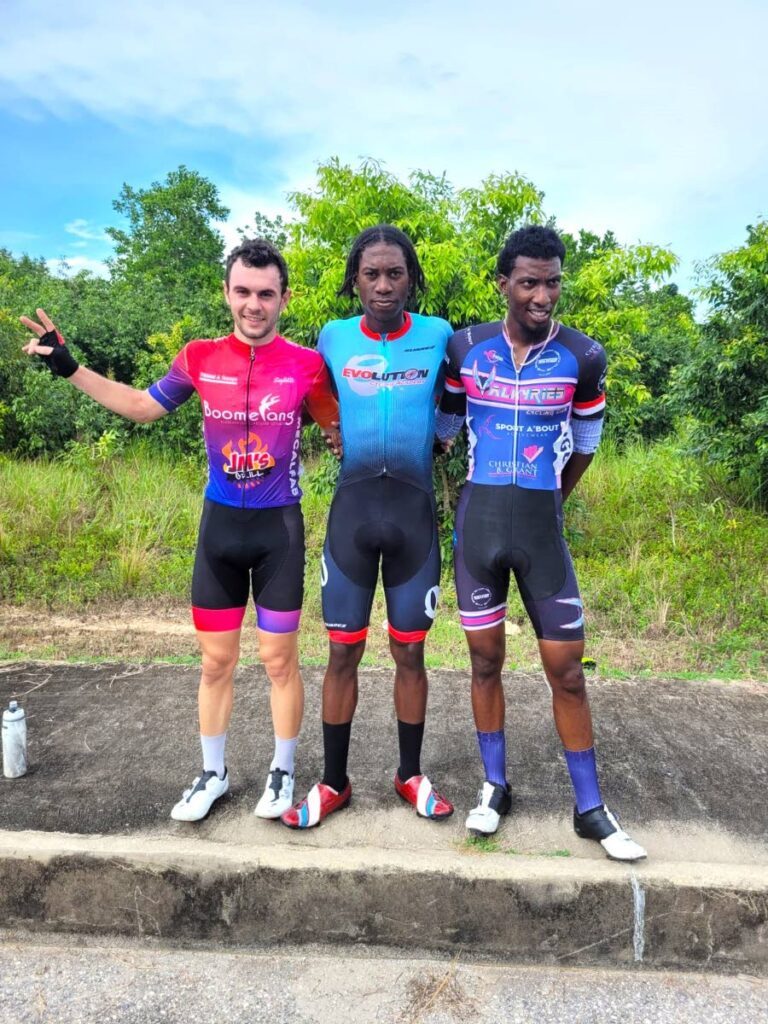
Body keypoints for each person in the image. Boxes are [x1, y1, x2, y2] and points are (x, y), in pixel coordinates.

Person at [20, 239, 338, 823]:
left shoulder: (306, 365)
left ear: (284, 299)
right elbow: (142, 406)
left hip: (279, 533)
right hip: (218, 529)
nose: (254, 304)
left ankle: (283, 770)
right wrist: (69, 367)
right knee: (215, 663)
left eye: (266, 294)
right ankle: (213, 773)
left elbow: (343, 430)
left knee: (278, 661)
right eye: (243, 291)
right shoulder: (199, 357)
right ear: (227, 292)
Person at [436, 225, 646, 861]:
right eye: (529, 282)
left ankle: (591, 808)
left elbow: (583, 446)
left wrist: (549, 500)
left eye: (552, 281)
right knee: (484, 662)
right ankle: (494, 787)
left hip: (540, 531)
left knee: (567, 671)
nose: (543, 294)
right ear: (503, 283)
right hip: (477, 523)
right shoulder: (464, 347)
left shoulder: (583, 356)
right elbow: (444, 432)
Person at [282, 225, 454, 828]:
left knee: (411, 655)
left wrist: (440, 441)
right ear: (355, 280)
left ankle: (408, 775)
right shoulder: (334, 336)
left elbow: (455, 399)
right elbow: (311, 388)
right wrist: (332, 428)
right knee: (340, 655)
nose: (384, 285)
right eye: (371, 274)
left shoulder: (438, 336)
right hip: (352, 517)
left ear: (412, 278)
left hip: (414, 520)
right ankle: (333, 783)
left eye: (395, 273)